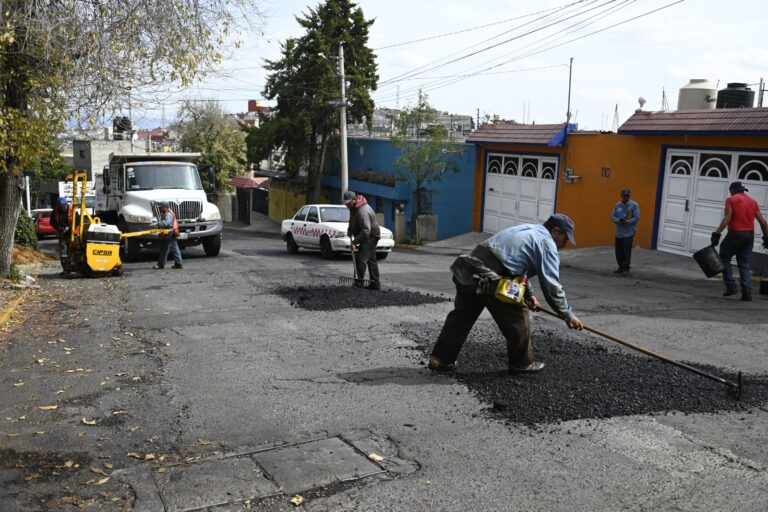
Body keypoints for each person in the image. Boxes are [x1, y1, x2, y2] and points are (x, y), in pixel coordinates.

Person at [429, 214, 584, 374]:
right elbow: (551, 285)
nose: (565, 244)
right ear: (555, 231)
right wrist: (567, 315)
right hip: (491, 276)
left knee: (462, 316)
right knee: (518, 315)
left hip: (469, 268)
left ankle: (440, 359)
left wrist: (529, 294)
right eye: (565, 238)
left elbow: (515, 267)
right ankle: (522, 363)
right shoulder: (546, 242)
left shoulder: (528, 230)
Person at [711, 181, 768, 302]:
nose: (730, 193)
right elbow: (763, 222)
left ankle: (731, 286)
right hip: (749, 236)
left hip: (735, 234)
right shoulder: (753, 202)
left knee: (724, 257)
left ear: (733, 190)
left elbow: (727, 218)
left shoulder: (731, 200)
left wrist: (716, 233)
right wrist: (766, 237)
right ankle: (747, 293)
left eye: (730, 191)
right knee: (744, 264)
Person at [343, 190, 381, 290]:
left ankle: (358, 285)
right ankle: (375, 284)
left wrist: (355, 242)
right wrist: (350, 230)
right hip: (367, 235)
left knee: (360, 259)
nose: (347, 205)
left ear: (354, 199)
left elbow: (366, 230)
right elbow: (352, 220)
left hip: (371, 236)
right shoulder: (353, 208)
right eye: (346, 203)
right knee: (371, 260)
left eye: (348, 203)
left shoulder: (362, 211)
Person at [610, 188, 640, 275]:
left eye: (627, 196)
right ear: (621, 196)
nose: (626, 197)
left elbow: (636, 217)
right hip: (619, 232)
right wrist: (618, 220)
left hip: (629, 232)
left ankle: (626, 268)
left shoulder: (634, 205)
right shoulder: (617, 205)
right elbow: (612, 216)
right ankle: (620, 267)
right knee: (618, 251)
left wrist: (628, 222)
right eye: (624, 196)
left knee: (626, 251)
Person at [151, 202, 183, 270]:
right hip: (172, 233)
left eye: (161, 207)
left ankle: (160, 265)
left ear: (165, 207)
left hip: (169, 234)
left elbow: (166, 223)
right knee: (175, 249)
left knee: (164, 250)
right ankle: (179, 264)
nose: (160, 209)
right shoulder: (168, 213)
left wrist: (156, 224)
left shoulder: (168, 214)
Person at [51, 197, 73, 274]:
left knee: (73, 251)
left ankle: (74, 268)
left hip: (72, 234)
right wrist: (61, 228)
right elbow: (52, 222)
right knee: (63, 252)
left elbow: (77, 221)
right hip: (62, 234)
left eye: (63, 206)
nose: (62, 208)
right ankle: (66, 269)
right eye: (60, 207)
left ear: (66, 204)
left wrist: (69, 228)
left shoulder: (72, 210)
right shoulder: (55, 212)